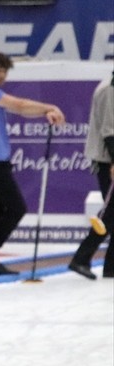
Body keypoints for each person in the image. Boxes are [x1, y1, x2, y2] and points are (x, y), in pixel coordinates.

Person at [0, 52, 67, 277]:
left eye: (4, 71)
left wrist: (46, 112)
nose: (2, 74)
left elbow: (23, 109)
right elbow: (21, 106)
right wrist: (50, 106)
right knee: (16, 207)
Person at [68, 71, 114, 279]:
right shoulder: (109, 89)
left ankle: (110, 266)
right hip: (107, 160)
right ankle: (81, 258)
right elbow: (109, 131)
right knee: (110, 213)